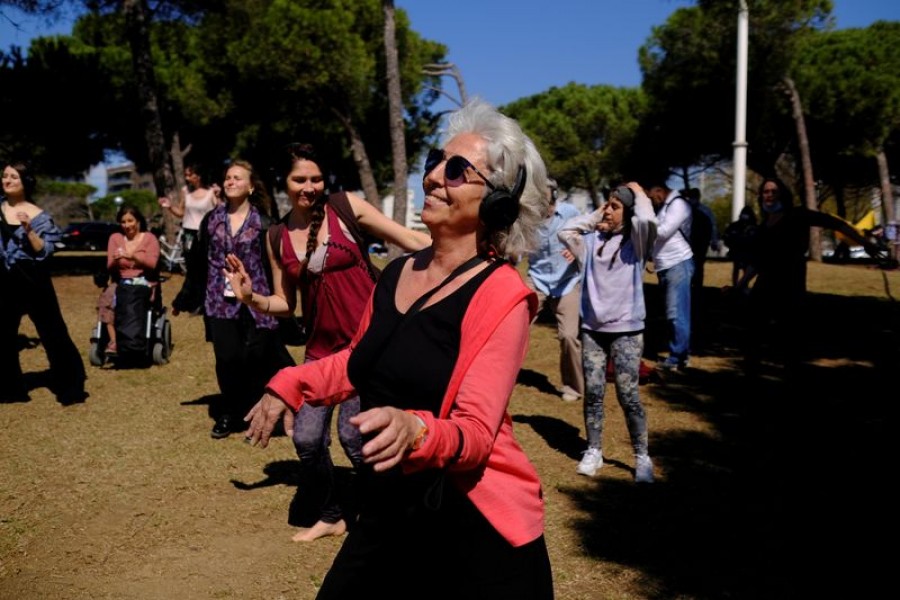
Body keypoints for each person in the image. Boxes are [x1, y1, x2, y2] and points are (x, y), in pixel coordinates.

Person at [243, 99, 555, 599]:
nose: (432, 177)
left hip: (473, 517)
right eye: (435, 160)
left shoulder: (503, 293)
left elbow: (477, 433)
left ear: (497, 201)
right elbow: (359, 363)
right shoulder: (395, 275)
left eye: (456, 170)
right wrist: (290, 383)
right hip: (391, 500)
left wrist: (416, 428)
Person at [223, 142, 431, 542]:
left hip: (367, 346)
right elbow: (285, 303)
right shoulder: (276, 235)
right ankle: (335, 512)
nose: (309, 186)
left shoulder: (344, 207)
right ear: (282, 183)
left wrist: (475, 259)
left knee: (355, 437)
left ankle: (382, 515)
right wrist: (250, 296)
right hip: (320, 351)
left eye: (316, 178)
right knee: (305, 438)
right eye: (299, 179)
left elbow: (411, 239)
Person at [172, 159, 292, 438]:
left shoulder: (264, 223)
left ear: (250, 187)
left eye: (238, 178)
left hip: (256, 300)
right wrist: (184, 298)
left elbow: (277, 264)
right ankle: (229, 413)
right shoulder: (211, 219)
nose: (230, 181)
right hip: (218, 301)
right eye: (227, 177)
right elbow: (198, 264)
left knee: (256, 357)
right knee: (227, 358)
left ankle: (261, 412)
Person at [558, 184, 657, 483]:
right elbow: (565, 230)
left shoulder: (636, 243)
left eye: (615, 206)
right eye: (607, 205)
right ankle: (594, 450)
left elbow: (648, 222)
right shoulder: (589, 241)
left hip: (627, 330)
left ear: (627, 212)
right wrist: (596, 216)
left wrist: (639, 194)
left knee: (629, 396)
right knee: (595, 395)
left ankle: (642, 457)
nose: (608, 210)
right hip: (593, 330)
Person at [735, 177, 885, 374]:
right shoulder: (764, 225)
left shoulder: (797, 215)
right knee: (754, 329)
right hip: (765, 285)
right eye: (765, 192)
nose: (769, 195)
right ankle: (752, 373)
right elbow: (758, 261)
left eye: (773, 191)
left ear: (783, 194)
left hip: (790, 283)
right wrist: (741, 283)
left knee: (790, 332)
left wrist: (865, 243)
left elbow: (835, 223)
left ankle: (792, 374)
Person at [0, 160, 87, 405]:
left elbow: (44, 251)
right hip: (5, 278)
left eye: (13, 177)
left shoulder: (39, 216)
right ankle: (10, 389)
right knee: (3, 334)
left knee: (53, 332)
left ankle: (70, 385)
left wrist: (28, 229)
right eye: (4, 176)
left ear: (25, 182)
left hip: (32, 277)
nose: (6, 180)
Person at [525, 177, 584, 402]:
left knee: (569, 336)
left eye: (544, 198)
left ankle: (573, 387)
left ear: (554, 197)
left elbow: (588, 233)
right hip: (537, 280)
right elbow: (518, 248)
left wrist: (577, 248)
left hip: (566, 282)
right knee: (515, 328)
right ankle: (501, 378)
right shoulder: (529, 218)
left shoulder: (569, 213)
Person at [99, 205, 161, 357]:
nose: (127, 225)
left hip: (143, 280)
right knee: (107, 299)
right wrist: (115, 259)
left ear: (138, 221)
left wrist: (132, 256)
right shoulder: (115, 238)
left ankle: (134, 340)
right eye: (123, 222)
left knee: (133, 300)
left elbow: (152, 264)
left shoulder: (149, 239)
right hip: (121, 281)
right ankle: (114, 341)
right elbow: (109, 266)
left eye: (130, 221)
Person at [647, 181, 694, 371]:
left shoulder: (678, 204)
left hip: (678, 264)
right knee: (672, 312)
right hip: (667, 265)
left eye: (652, 196)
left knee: (677, 313)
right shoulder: (666, 206)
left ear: (659, 189)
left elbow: (664, 232)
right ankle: (679, 354)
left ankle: (678, 357)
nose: (652, 200)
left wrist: (643, 226)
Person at [158, 163, 220, 253]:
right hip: (188, 234)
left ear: (199, 175)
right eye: (186, 175)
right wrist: (170, 206)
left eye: (190, 175)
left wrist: (218, 196)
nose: (187, 178)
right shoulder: (185, 191)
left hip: (206, 234)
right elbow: (181, 213)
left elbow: (221, 212)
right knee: (190, 262)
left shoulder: (211, 192)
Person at [722, 205, 757, 288]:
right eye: (743, 213)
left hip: (748, 253)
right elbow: (726, 237)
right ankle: (736, 286)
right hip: (736, 252)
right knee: (736, 268)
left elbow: (755, 240)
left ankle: (743, 286)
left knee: (746, 270)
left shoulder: (753, 227)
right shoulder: (735, 226)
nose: (744, 216)